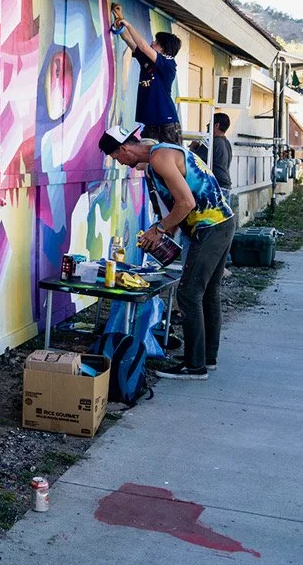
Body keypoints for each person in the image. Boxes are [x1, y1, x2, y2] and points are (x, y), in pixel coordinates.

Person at [99, 125, 235, 379]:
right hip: (221, 224)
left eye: (117, 158)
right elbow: (179, 207)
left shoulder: (159, 158)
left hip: (210, 228)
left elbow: (187, 203)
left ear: (124, 148)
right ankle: (207, 358)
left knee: (188, 294)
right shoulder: (158, 159)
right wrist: (161, 233)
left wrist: (159, 230)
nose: (121, 164)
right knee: (208, 294)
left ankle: (195, 367)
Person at [111, 2, 183, 144]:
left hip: (166, 123)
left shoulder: (168, 64)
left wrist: (129, 24)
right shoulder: (148, 61)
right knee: (148, 161)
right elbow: (129, 40)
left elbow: (143, 46)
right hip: (150, 122)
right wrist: (120, 19)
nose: (152, 43)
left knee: (168, 159)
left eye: (156, 42)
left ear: (163, 49)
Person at [193, 112, 233, 196]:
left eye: (210, 123)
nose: (207, 125)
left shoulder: (213, 142)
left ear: (216, 125)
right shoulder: (226, 142)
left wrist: (193, 147)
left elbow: (194, 160)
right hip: (224, 185)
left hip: (216, 186)